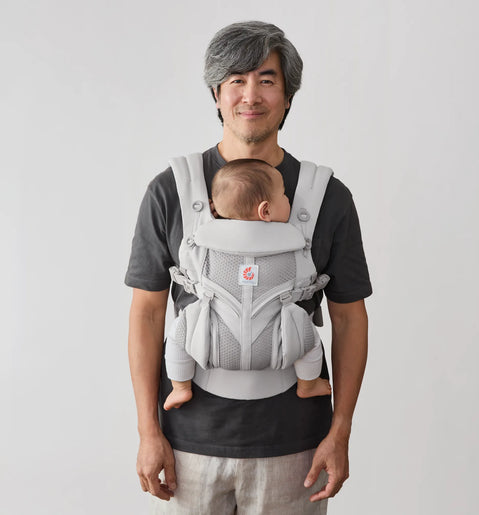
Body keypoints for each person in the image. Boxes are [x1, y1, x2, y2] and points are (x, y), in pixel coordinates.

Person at [126, 21, 372, 514]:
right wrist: (148, 432)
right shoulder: (171, 190)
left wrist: (340, 431)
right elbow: (146, 314)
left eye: (266, 79)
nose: (250, 95)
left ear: (288, 96)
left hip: (297, 444)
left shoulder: (327, 197)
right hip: (188, 443)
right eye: (236, 80)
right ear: (216, 95)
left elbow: (349, 318)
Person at [163, 158, 332, 410]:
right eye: (284, 195)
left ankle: (180, 387)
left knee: (178, 334)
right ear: (266, 211)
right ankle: (308, 385)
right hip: (279, 346)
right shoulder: (291, 244)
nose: (289, 200)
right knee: (310, 339)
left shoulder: (206, 243)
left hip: (211, 344)